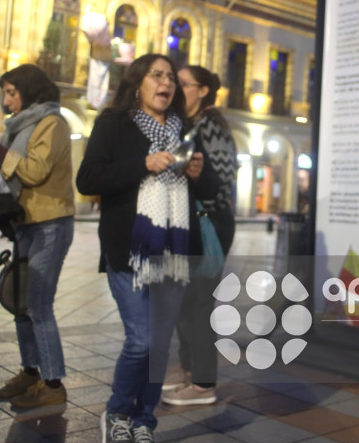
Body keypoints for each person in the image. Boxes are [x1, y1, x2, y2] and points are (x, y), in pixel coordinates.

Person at [76, 54, 217, 443]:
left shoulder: (185, 129)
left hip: (175, 250)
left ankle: (143, 422)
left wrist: (198, 174)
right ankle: (118, 412)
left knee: (159, 344)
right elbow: (87, 179)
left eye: (170, 76)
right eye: (156, 75)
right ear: (137, 82)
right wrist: (144, 163)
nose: (166, 82)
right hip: (129, 248)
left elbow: (208, 190)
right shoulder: (113, 123)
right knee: (141, 340)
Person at [0, 64, 75, 409]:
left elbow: (34, 171)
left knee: (38, 304)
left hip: (50, 222)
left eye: (12, 93)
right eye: (4, 93)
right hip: (24, 222)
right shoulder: (18, 127)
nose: (6, 101)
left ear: (29, 91)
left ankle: (53, 383)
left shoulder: (53, 124)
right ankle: (30, 372)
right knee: (21, 304)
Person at [161, 65, 237, 406]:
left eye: (183, 83)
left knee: (198, 304)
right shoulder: (189, 124)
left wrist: (195, 179)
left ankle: (204, 383)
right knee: (185, 303)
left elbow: (221, 187)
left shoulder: (212, 128)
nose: (176, 88)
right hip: (193, 221)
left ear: (203, 90)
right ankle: (191, 373)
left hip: (210, 224)